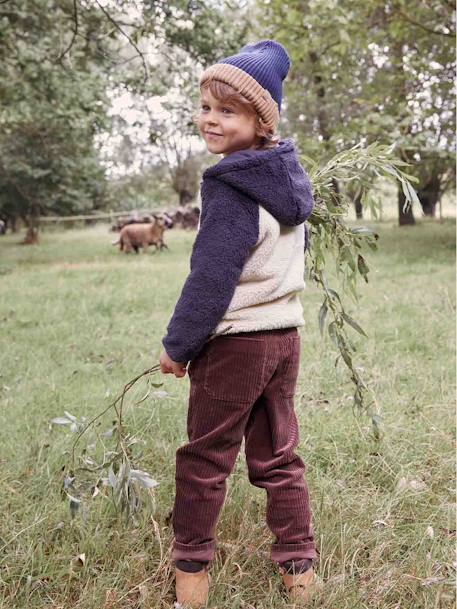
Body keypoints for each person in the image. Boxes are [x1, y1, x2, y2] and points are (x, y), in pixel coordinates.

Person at [160, 39, 320, 608]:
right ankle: (300, 577)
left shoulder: (230, 185)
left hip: (236, 346)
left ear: (261, 121)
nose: (210, 119)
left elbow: (211, 280)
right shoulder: (288, 180)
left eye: (227, 111)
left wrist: (178, 348)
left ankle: (191, 583)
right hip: (285, 339)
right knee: (279, 457)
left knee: (205, 460)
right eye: (206, 106)